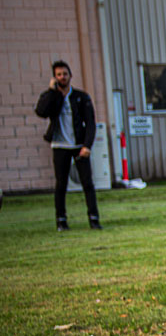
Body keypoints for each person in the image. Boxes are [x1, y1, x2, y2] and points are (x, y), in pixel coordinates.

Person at [34, 60, 100, 231]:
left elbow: (90, 123)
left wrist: (87, 145)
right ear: (54, 77)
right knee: (61, 184)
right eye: (59, 75)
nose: (62, 77)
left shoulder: (81, 97)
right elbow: (41, 112)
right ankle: (61, 221)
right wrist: (52, 91)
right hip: (60, 146)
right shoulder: (51, 97)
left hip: (78, 145)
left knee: (87, 183)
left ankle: (94, 219)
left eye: (65, 74)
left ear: (70, 75)